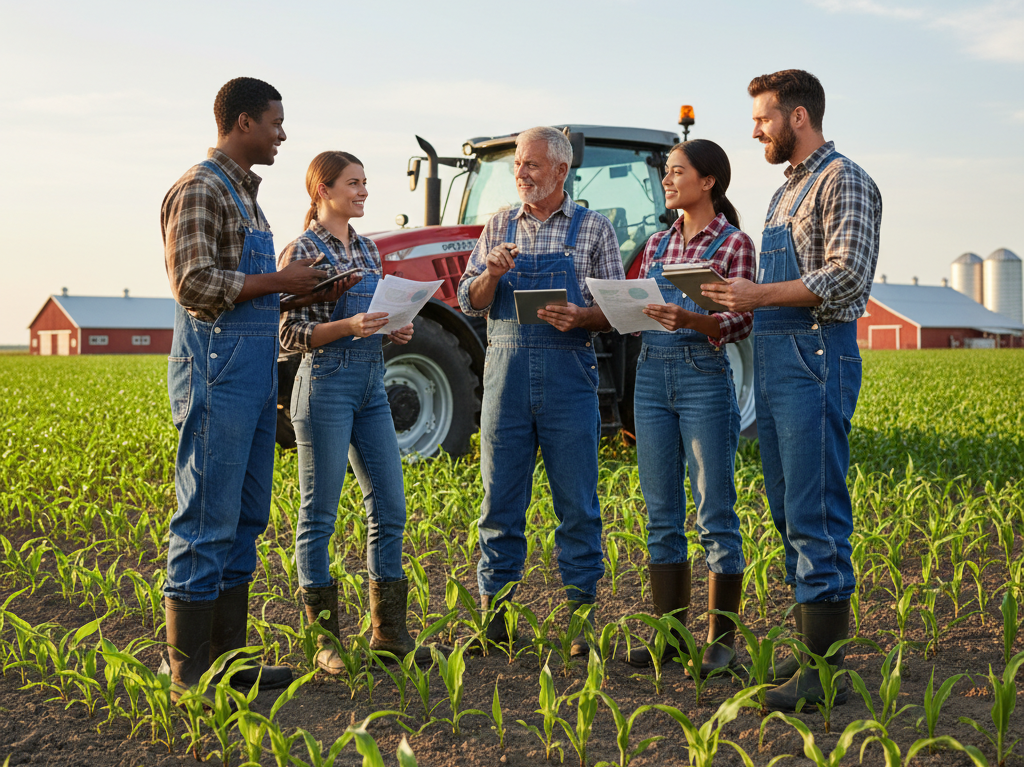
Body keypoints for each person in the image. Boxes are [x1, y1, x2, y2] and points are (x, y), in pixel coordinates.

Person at [701, 69, 881, 711]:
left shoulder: (844, 181)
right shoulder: (785, 193)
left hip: (816, 355)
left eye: (763, 118)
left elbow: (847, 276)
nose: (755, 130)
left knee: (817, 510)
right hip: (778, 357)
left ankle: (824, 673)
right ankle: (812, 647)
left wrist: (757, 294)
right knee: (786, 509)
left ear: (798, 117)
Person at [161, 76, 330, 694]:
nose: (282, 134)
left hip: (254, 374)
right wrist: (281, 281)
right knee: (206, 517)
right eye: (274, 122)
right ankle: (188, 674)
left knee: (245, 516)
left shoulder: (247, 197)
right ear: (240, 123)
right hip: (215, 372)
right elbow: (197, 285)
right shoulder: (201, 189)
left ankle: (229, 664)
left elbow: (253, 289)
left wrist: (304, 288)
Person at [457, 126, 625, 654]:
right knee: (499, 501)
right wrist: (490, 272)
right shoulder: (499, 225)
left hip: (568, 376)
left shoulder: (594, 229)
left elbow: (620, 312)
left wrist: (581, 315)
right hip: (503, 377)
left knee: (576, 503)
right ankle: (495, 619)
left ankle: (580, 621)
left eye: (530, 165)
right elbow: (470, 300)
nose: (521, 173)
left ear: (560, 170)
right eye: (517, 166)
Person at [279, 151, 435, 672]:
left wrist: (396, 328)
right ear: (323, 190)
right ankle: (323, 643)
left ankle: (389, 634)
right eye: (354, 183)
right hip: (323, 385)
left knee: (390, 508)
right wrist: (348, 327)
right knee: (318, 516)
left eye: (366, 182)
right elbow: (286, 334)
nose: (364, 191)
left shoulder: (368, 249)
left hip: (371, 385)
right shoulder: (301, 250)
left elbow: (374, 319)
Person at [623, 139, 755, 675]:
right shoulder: (656, 243)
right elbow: (639, 304)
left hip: (703, 373)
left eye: (678, 171)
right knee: (660, 516)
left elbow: (742, 321)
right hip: (650, 373)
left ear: (709, 182)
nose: (668, 179)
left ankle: (720, 642)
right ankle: (672, 638)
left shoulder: (734, 244)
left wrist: (694, 320)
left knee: (714, 513)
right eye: (666, 171)